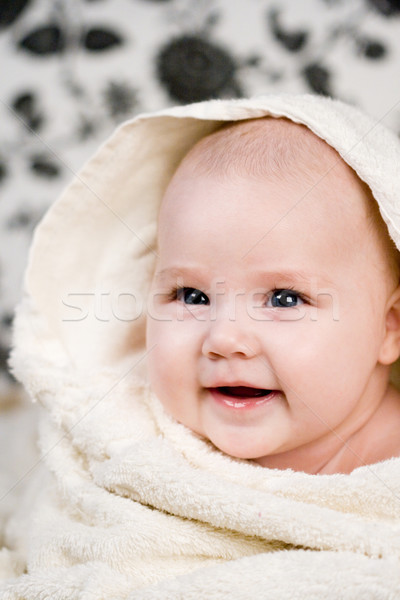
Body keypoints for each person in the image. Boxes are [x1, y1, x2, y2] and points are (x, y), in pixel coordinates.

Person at [2, 94, 400, 598]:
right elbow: (58, 536)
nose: (225, 339)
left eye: (283, 298)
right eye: (191, 295)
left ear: (389, 329)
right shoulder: (125, 431)